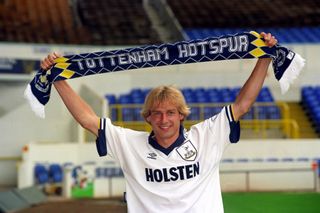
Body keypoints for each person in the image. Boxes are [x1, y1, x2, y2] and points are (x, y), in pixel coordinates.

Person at [41, 32, 277, 212]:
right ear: (148, 117)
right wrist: (57, 78)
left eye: (171, 113)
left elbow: (242, 105)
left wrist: (264, 58)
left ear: (182, 115)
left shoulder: (207, 135)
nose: (164, 120)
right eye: (157, 113)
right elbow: (87, 119)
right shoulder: (130, 144)